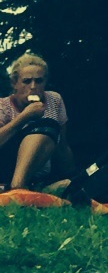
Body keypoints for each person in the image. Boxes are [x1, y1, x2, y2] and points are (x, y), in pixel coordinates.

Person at [0, 52, 74, 192]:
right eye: (26, 81)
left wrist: (72, 175)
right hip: (6, 168)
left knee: (49, 126)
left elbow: (62, 145)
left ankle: (31, 186)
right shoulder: (3, 106)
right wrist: (25, 117)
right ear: (14, 83)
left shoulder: (54, 100)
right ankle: (17, 186)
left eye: (38, 81)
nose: (33, 87)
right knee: (45, 126)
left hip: (39, 173)